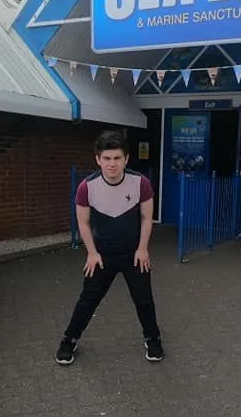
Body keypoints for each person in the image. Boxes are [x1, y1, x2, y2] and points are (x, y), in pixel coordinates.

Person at [56, 130, 163, 365]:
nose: (112, 164)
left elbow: (147, 218)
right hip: (102, 255)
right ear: (98, 159)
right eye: (107, 158)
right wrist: (92, 253)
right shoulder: (87, 187)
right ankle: (69, 340)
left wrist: (143, 248)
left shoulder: (140, 183)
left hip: (134, 253)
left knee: (144, 299)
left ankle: (153, 338)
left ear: (126, 159)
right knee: (88, 299)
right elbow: (83, 223)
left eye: (117, 158)